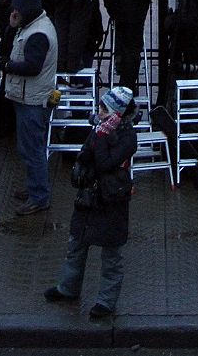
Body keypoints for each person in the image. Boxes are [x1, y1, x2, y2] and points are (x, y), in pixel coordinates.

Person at [45, 86, 139, 320]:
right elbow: (85, 155)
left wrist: (100, 137)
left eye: (103, 109)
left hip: (111, 199)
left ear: (116, 112)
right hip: (91, 196)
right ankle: (68, 288)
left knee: (111, 254)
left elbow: (105, 162)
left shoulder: (127, 137)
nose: (98, 112)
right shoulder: (101, 129)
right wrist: (99, 138)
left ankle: (106, 301)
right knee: (76, 244)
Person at [6, 0, 57, 215]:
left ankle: (39, 196)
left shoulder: (37, 34)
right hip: (30, 96)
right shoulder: (33, 27)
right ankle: (35, 187)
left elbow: (32, 67)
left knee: (33, 149)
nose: (14, 13)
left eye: (16, 10)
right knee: (29, 147)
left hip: (32, 99)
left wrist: (9, 67)